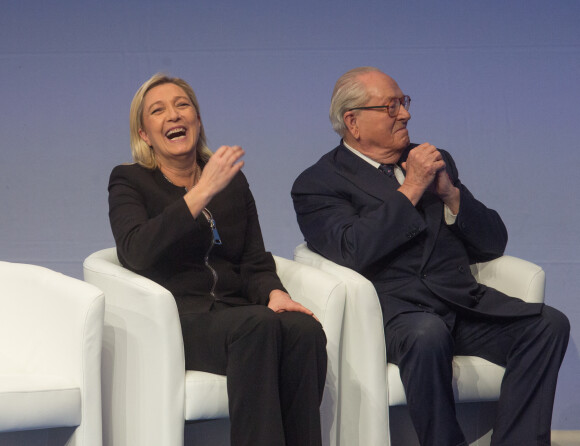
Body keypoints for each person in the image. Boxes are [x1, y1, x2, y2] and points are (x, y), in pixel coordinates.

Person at [291, 66, 569, 446]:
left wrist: (451, 195)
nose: (405, 114)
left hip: (461, 303)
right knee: (427, 334)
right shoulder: (318, 184)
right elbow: (352, 250)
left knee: (548, 325)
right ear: (353, 122)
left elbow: (492, 244)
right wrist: (413, 186)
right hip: (396, 315)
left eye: (403, 103)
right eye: (390, 107)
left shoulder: (433, 159)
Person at [108, 73, 327, 446]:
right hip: (179, 322)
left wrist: (274, 293)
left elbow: (254, 259)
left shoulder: (233, 183)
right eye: (158, 111)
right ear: (144, 134)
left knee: (303, 330)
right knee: (257, 325)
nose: (174, 115)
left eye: (182, 105)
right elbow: (135, 250)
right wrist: (203, 190)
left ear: (197, 119)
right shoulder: (129, 181)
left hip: (238, 314)